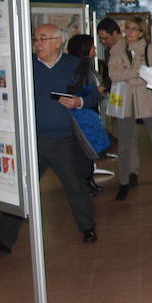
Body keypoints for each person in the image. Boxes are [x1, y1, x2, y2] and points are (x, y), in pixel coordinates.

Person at [0, 24, 100, 253]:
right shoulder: (25, 65)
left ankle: (87, 227)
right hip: (32, 140)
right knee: (21, 190)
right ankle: (4, 240)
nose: (37, 43)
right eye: (35, 39)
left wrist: (79, 102)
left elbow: (93, 93)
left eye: (43, 39)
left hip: (64, 140)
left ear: (58, 42)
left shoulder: (74, 65)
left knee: (75, 186)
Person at [106, 16, 152, 200]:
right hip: (124, 100)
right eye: (127, 28)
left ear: (141, 32)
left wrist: (129, 75)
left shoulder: (150, 50)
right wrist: (137, 72)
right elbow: (113, 75)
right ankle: (125, 180)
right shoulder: (116, 50)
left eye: (133, 29)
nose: (129, 32)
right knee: (124, 143)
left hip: (146, 99)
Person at [65, 34, 105, 195]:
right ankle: (84, 183)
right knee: (84, 151)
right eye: (92, 46)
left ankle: (88, 180)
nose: (95, 49)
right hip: (84, 113)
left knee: (87, 150)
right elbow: (79, 90)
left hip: (87, 112)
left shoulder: (80, 64)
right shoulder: (81, 66)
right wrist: (97, 91)